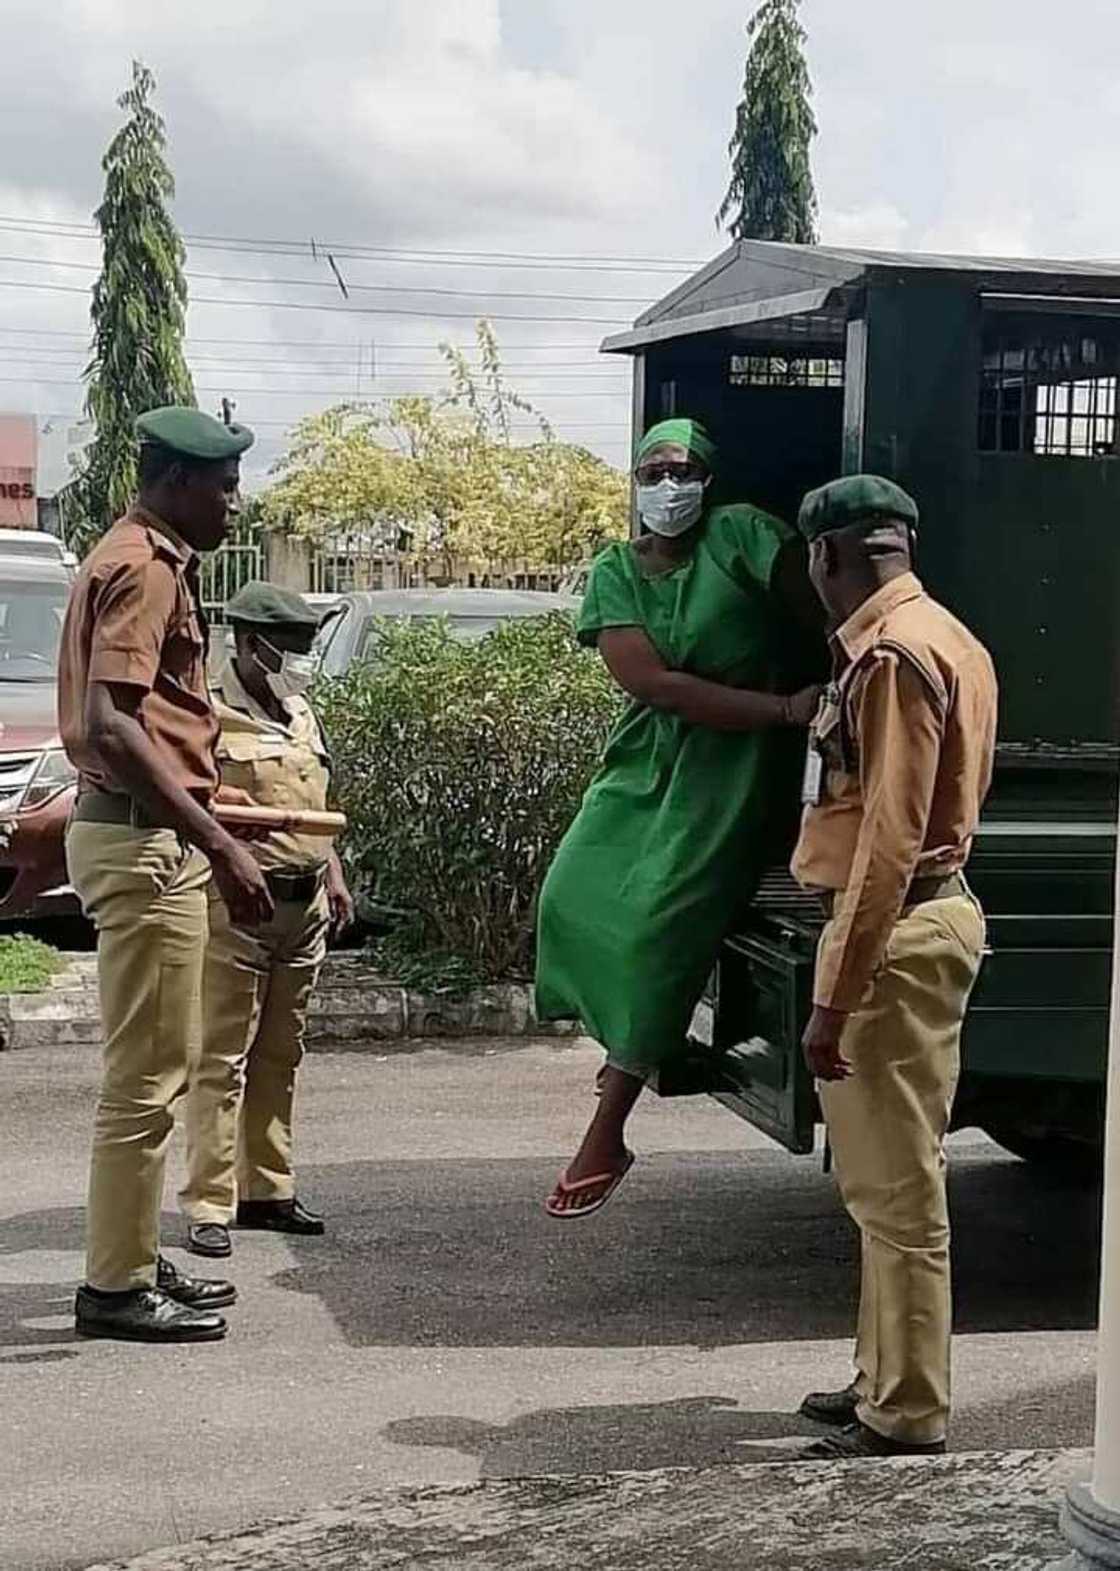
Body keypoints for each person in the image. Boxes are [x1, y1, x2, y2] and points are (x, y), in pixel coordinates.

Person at [535, 417, 822, 1219]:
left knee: (665, 923)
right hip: (650, 757)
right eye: (655, 470)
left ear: (710, 478)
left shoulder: (739, 536)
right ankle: (622, 1035)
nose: (670, 484)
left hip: (730, 774)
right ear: (635, 481)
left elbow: (818, 603)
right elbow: (653, 683)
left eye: (686, 469)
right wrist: (781, 705)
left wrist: (814, 694)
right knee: (569, 894)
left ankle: (608, 1126)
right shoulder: (615, 571)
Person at [789, 475, 998, 1460]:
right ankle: (881, 1375)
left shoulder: (892, 657)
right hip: (931, 916)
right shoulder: (949, 633)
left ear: (826, 557)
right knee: (882, 1183)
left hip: (895, 931)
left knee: (897, 1192)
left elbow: (886, 842)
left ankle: (907, 1404)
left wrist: (833, 996)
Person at [60, 406, 275, 1344]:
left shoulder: (135, 553)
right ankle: (112, 1286)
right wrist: (220, 841)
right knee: (145, 1080)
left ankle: (137, 1258)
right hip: (146, 841)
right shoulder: (145, 568)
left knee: (168, 1064)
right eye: (223, 488)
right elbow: (114, 723)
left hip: (151, 834)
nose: (235, 504)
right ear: (177, 483)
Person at [180, 582, 353, 1259]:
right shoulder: (209, 714)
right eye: (291, 648)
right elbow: (198, 808)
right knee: (221, 1056)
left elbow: (314, 801)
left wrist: (334, 875)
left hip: (303, 904)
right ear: (249, 644)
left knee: (282, 1052)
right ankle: (209, 1201)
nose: (302, 661)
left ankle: (268, 1187)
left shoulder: (300, 709)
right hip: (238, 907)